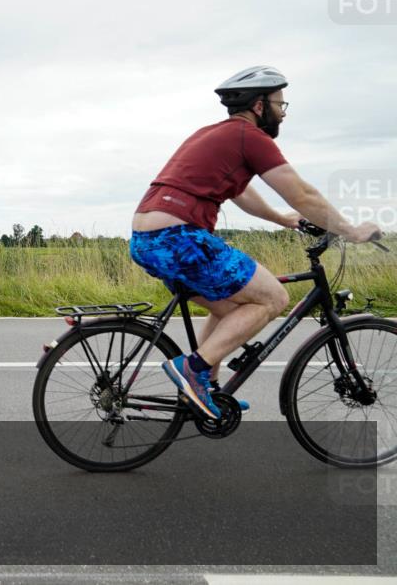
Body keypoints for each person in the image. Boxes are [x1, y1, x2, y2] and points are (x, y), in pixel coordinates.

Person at [129, 66, 382, 419]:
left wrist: (282, 219)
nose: (283, 112)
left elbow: (241, 192)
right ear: (260, 105)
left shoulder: (212, 135)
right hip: (178, 237)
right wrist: (350, 230)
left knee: (231, 308)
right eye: (280, 103)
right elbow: (303, 194)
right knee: (273, 297)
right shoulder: (251, 137)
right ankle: (193, 369)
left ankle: (207, 391)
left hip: (147, 238)